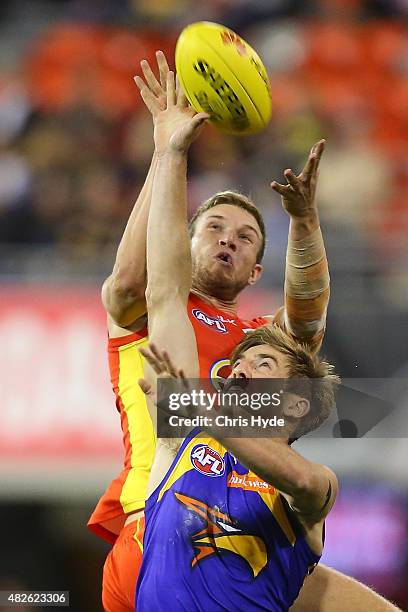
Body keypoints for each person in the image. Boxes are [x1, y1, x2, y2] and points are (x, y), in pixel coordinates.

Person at [90, 56, 400, 611]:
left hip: (251, 509)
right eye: (214, 227)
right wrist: (168, 152)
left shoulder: (255, 341)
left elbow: (305, 326)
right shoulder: (160, 308)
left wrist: (304, 222)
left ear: (259, 269)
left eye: (247, 237)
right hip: (156, 514)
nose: (229, 240)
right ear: (182, 244)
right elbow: (140, 280)